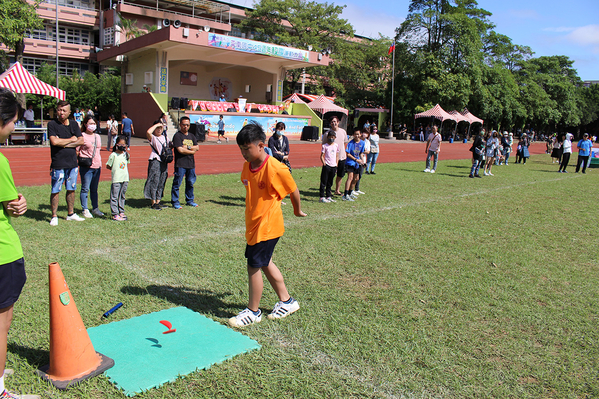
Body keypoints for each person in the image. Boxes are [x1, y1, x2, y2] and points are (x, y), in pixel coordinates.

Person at [229, 121, 306, 328]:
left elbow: (293, 189)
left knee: (253, 265)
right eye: (241, 149)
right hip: (254, 225)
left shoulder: (275, 167)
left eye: (247, 148)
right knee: (264, 262)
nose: (244, 153)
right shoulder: (248, 166)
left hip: (268, 226)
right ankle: (287, 301)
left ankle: (253, 311)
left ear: (261, 145)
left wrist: (297, 210)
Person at [0, 89, 39, 399]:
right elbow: (13, 205)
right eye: (13, 121)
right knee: (2, 322)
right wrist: (20, 204)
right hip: (3, 253)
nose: (15, 127)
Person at [48, 100, 85, 226]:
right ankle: (54, 216)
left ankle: (70, 213)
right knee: (55, 189)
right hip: (58, 163)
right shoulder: (52, 124)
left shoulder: (74, 124)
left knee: (71, 189)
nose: (61, 112)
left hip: (72, 163)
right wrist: (71, 140)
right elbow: (54, 142)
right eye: (59, 110)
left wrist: (63, 143)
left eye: (64, 110)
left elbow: (80, 141)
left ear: (69, 112)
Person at [77, 115, 103, 218]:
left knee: (94, 189)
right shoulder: (82, 136)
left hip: (97, 165)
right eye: (90, 123)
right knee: (85, 188)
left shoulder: (97, 136)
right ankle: (85, 209)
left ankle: (95, 208)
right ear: (85, 124)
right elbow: (77, 150)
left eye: (94, 123)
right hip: (86, 166)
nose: (92, 126)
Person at [171, 116, 199, 209]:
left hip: (191, 164)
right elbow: (180, 150)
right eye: (184, 125)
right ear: (180, 125)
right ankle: (175, 201)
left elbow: (197, 147)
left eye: (187, 125)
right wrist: (192, 151)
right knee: (177, 184)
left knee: (190, 183)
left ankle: (190, 200)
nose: (185, 127)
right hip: (180, 164)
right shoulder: (177, 136)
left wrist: (187, 147)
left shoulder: (192, 136)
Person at [144, 120, 169, 210]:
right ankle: (153, 202)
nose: (159, 130)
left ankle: (158, 200)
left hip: (164, 161)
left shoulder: (165, 137)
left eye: (160, 128)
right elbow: (148, 132)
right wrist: (157, 124)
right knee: (154, 180)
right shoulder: (153, 138)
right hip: (155, 160)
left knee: (162, 180)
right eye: (157, 128)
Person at [321, 116, 348, 195]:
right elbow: (324, 146)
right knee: (330, 176)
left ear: (338, 122)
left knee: (340, 174)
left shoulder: (343, 132)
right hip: (331, 160)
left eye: (335, 121)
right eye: (332, 122)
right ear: (330, 124)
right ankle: (328, 191)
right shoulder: (327, 134)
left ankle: (337, 190)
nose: (333, 123)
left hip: (341, 157)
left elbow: (344, 143)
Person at [106, 136, 130, 221]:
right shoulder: (113, 155)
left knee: (122, 196)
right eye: (120, 144)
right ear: (116, 144)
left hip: (125, 178)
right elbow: (108, 166)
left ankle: (121, 211)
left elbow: (127, 163)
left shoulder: (126, 155)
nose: (122, 146)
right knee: (114, 196)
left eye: (124, 144)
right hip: (116, 179)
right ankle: (115, 213)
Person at [342, 128, 365, 201]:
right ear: (353, 135)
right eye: (355, 134)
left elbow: (361, 153)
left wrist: (362, 160)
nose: (357, 136)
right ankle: (345, 195)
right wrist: (356, 159)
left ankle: (350, 192)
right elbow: (348, 154)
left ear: (360, 134)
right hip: (350, 163)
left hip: (357, 164)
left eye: (358, 134)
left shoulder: (362, 143)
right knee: (350, 178)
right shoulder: (350, 143)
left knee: (356, 178)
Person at [319, 129, 338, 203]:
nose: (331, 138)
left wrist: (336, 164)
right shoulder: (325, 146)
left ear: (335, 138)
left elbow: (337, 155)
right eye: (330, 137)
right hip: (327, 165)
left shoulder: (336, 146)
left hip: (333, 166)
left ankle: (328, 196)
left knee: (330, 182)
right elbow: (322, 156)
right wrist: (324, 163)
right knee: (324, 181)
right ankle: (321, 196)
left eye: (333, 137)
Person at [353, 129, 370, 195]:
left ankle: (357, 189)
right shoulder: (356, 141)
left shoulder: (367, 142)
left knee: (359, 175)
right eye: (363, 132)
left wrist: (361, 151)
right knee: (354, 175)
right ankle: (351, 189)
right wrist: (361, 151)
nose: (364, 134)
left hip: (363, 160)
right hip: (355, 160)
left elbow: (368, 151)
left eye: (366, 133)